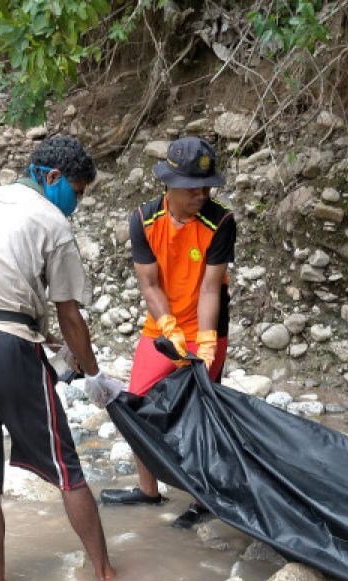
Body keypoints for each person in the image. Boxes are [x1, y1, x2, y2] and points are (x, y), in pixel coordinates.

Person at [0, 135, 118, 581]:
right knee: (67, 469)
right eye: (78, 191)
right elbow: (70, 314)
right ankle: (107, 574)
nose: (76, 202)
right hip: (7, 349)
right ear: (51, 178)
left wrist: (35, 327)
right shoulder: (53, 220)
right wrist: (93, 375)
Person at [99, 136, 237, 529]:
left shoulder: (220, 221)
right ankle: (148, 490)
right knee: (136, 404)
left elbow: (211, 288)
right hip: (163, 325)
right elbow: (150, 285)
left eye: (206, 186)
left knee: (198, 414)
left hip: (207, 325)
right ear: (170, 185)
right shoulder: (143, 220)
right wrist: (170, 328)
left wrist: (205, 342)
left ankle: (201, 498)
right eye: (193, 187)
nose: (202, 194)